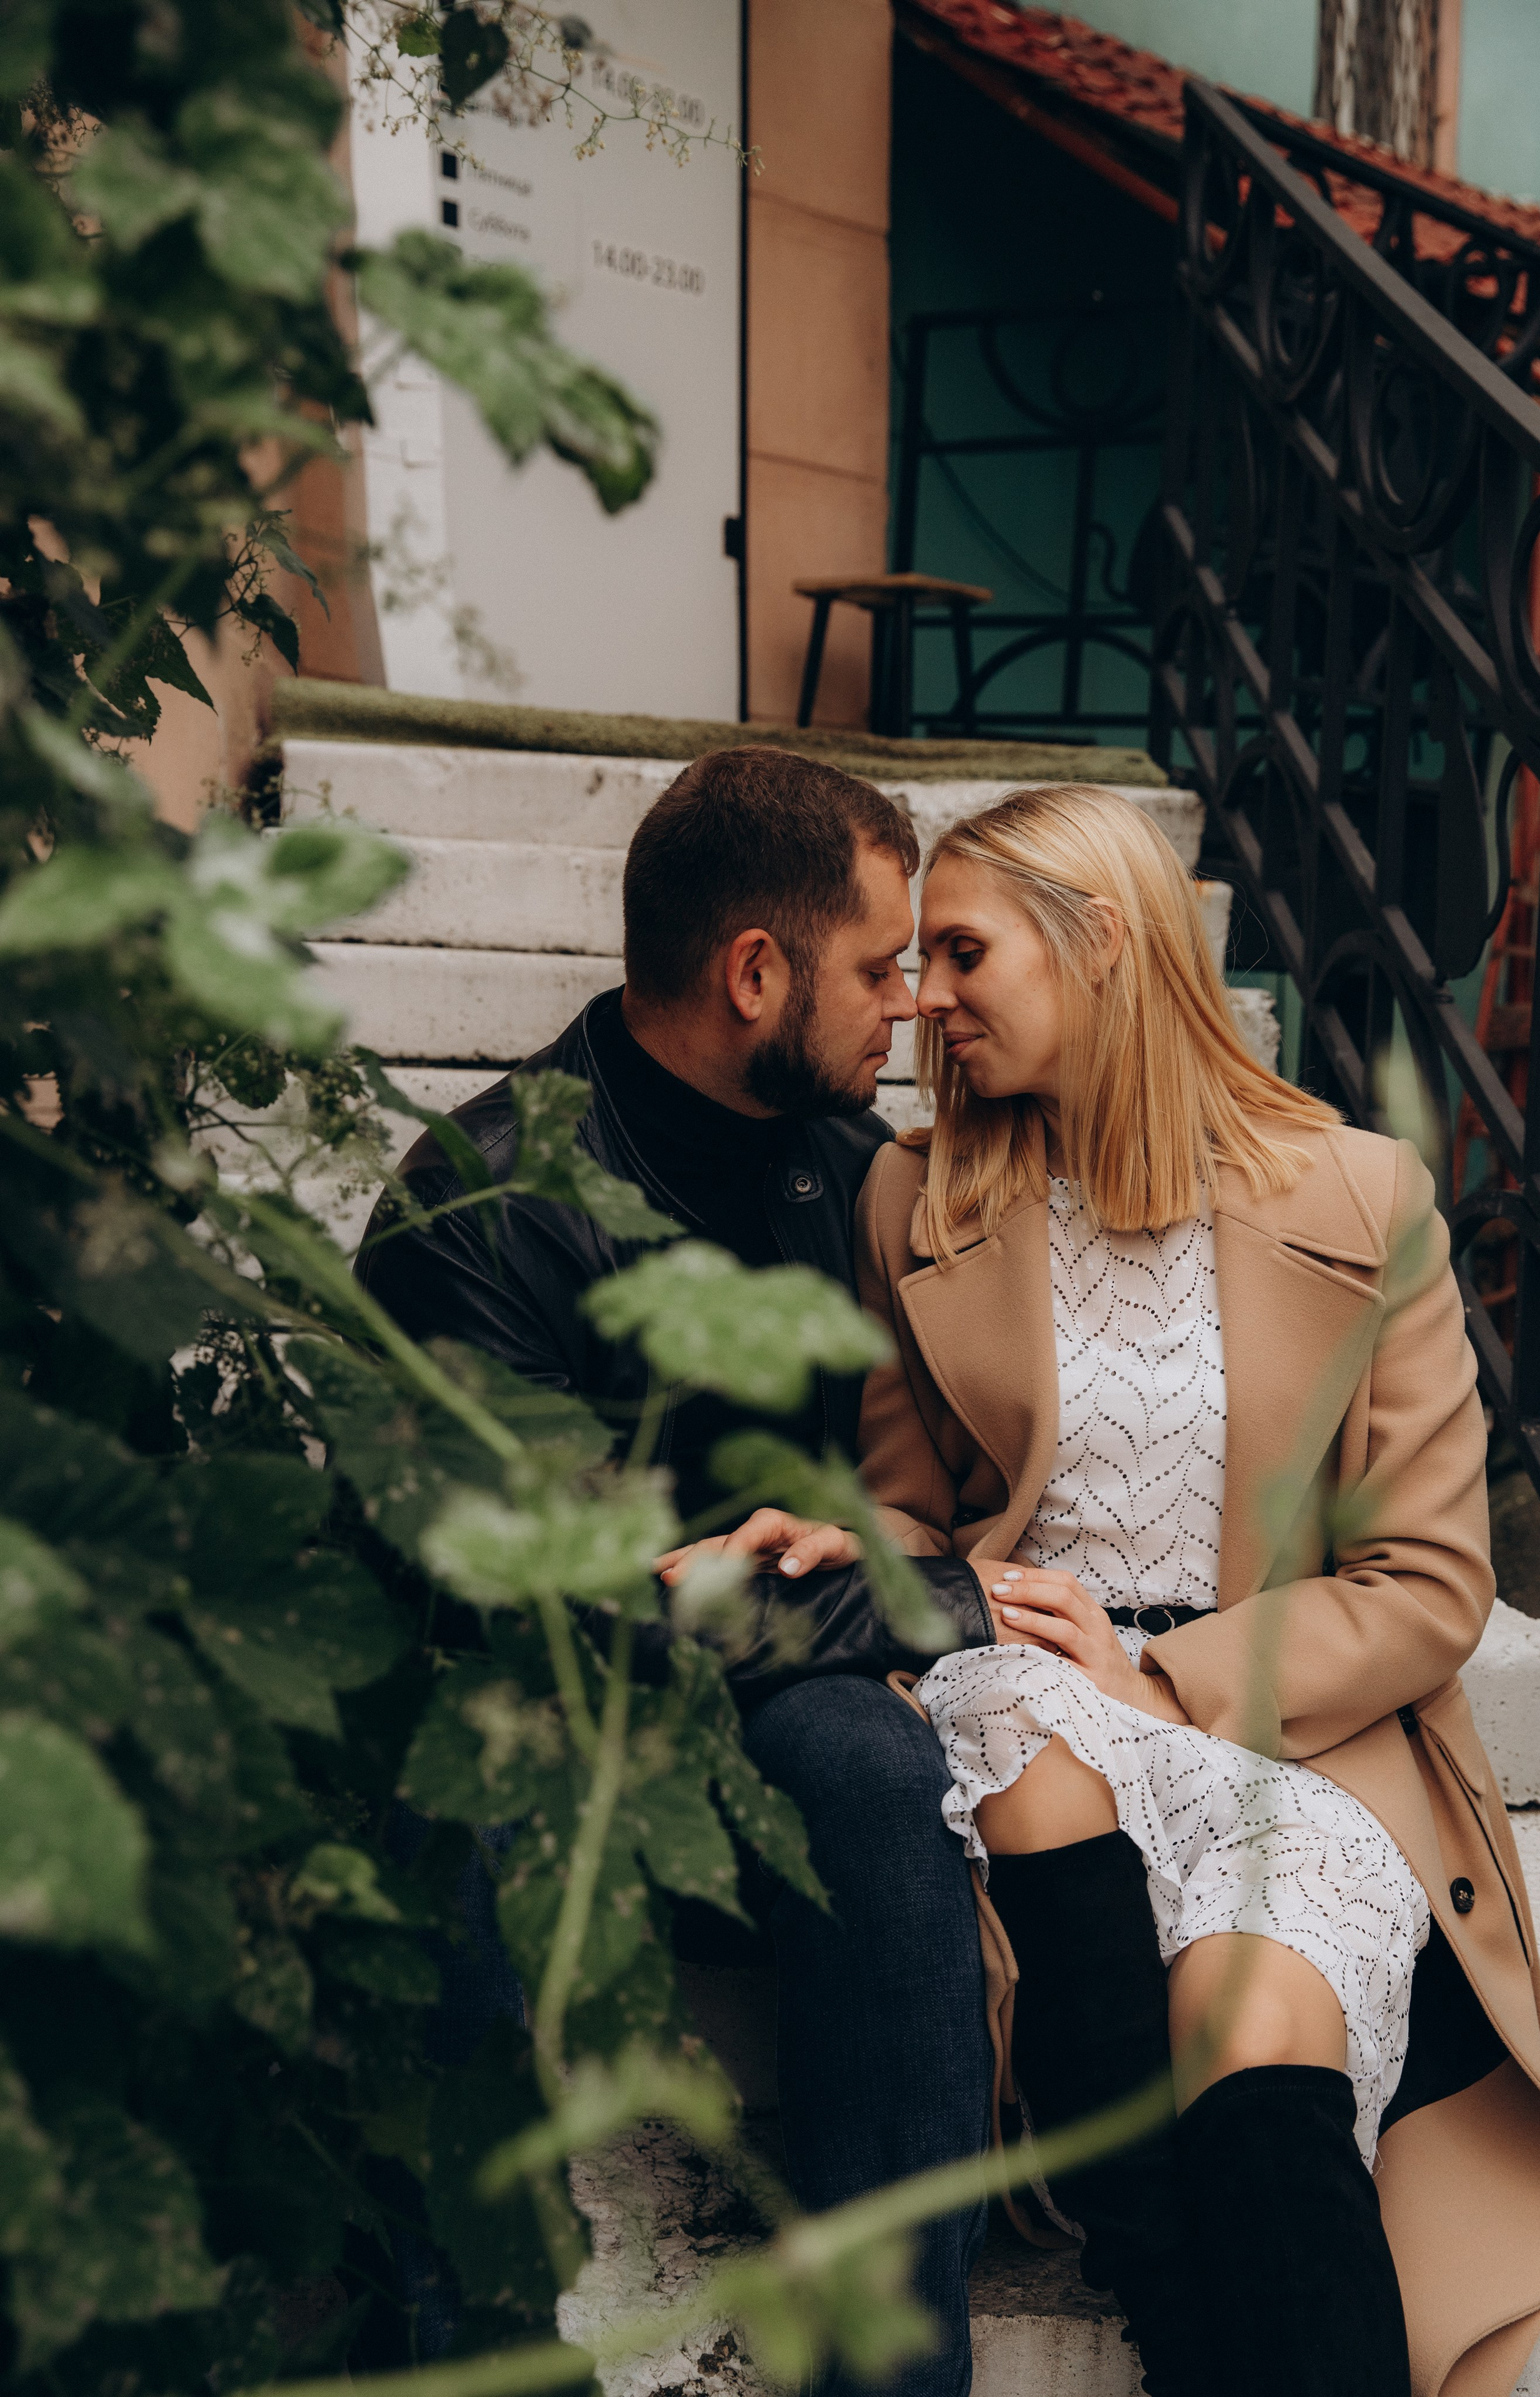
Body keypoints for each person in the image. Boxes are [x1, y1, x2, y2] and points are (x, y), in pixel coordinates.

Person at [675, 786, 1540, 2397]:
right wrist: (847, 1537)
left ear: (1101, 940)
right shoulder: (920, 1195)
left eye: (961, 952)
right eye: (913, 961)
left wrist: (1164, 1680)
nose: (922, 998)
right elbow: (919, 1491)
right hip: (1028, 1684)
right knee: (1030, 1746)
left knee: (1262, 2061)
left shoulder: (1362, 1196)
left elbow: (1433, 1583)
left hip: (1288, 1732)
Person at [357, 746, 998, 2390]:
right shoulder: (478, 1204)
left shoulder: (849, 1172)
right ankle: (459, 2344)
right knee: (458, 1822)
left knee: (879, 1777)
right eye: (879, 966)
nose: (912, 1007)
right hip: (538, 1686)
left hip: (774, 1679)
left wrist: (876, 1565)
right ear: (756, 972)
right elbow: (557, 1595)